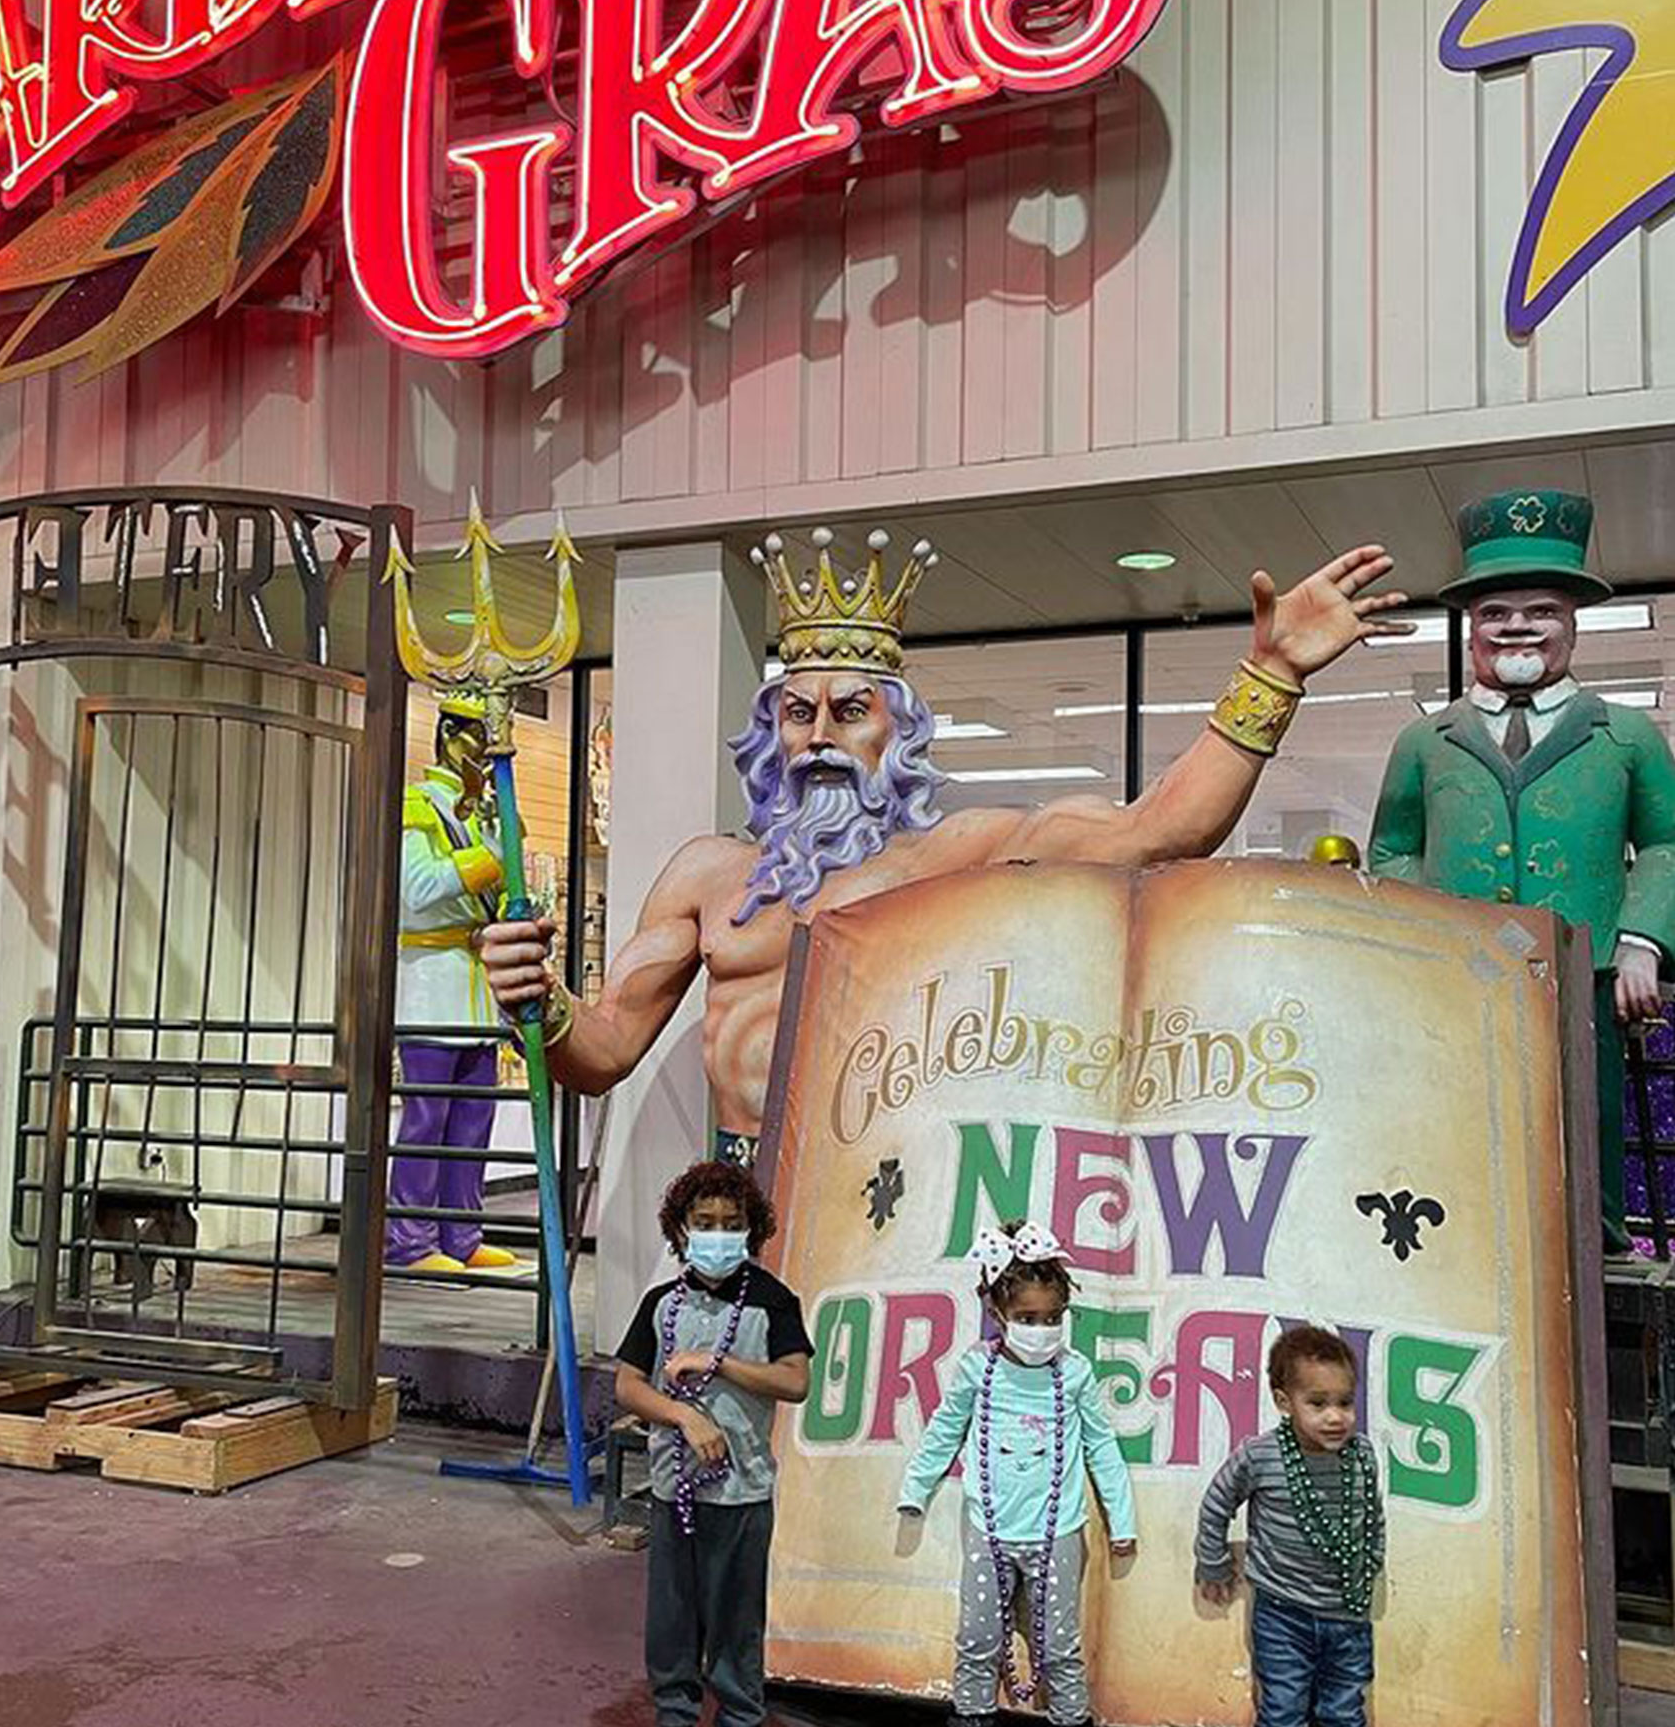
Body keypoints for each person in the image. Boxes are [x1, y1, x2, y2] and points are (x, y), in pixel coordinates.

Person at [481, 528, 1411, 1168]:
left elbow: (1158, 832)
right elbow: (601, 1052)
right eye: (797, 715)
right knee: (728, 1442)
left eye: (851, 713)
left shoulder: (960, 855)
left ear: (903, 735)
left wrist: (1273, 672)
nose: (818, 739)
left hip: (891, 1193)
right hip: (737, 1207)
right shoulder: (706, 876)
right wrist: (543, 1001)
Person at [1369, 488, 1675, 1256]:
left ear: (1572, 622)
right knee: (1459, 1133)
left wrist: (1642, 939)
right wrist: (1419, 937)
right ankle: (1466, 1261)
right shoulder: (1425, 741)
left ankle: (1596, 1266)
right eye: (1495, 612)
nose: (1518, 626)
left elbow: (1668, 845)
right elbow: (1391, 850)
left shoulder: (1628, 737)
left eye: (1540, 609)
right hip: (1457, 983)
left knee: (1585, 1139)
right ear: (1472, 628)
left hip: (1588, 983)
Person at [897, 1222, 1136, 1727]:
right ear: (997, 1311)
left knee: (1060, 1646)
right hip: (989, 1532)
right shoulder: (976, 1368)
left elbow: (1102, 1448)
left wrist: (1123, 1520)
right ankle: (972, 1714)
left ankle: (1072, 1718)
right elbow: (944, 1430)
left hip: (1058, 1534)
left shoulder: (1074, 1372)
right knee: (978, 1639)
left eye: (1053, 1317)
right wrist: (915, 1489)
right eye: (1028, 1317)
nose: (1042, 1328)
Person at [613, 1160, 812, 1727]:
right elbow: (628, 1384)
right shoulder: (659, 1303)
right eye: (706, 1222)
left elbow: (795, 1380)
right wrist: (682, 1416)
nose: (719, 1234)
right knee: (672, 1618)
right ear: (682, 1229)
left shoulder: (772, 1301)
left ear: (751, 1229)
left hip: (743, 1494)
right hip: (674, 1491)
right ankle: (674, 1712)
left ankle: (739, 1714)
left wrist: (719, 1364)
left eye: (732, 1223)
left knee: (737, 1620)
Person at [1194, 1325, 1386, 1727]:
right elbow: (1216, 1503)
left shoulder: (1362, 1455)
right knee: (1282, 1711)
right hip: (1282, 1616)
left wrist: (1371, 1563)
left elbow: (1372, 1516)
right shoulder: (1260, 1456)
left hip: (1348, 1615)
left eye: (1345, 1402)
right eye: (1318, 1403)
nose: (1336, 1417)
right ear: (1284, 1402)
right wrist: (1212, 1562)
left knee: (1345, 1714)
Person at [385, 693, 517, 1273]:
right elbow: (414, 891)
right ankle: (409, 1241)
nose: (485, 758)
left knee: (472, 1121)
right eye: (479, 743)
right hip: (433, 982)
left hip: (477, 990)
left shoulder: (478, 813)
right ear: (451, 737)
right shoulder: (419, 805)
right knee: (427, 1120)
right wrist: (485, 865)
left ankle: (461, 1234)